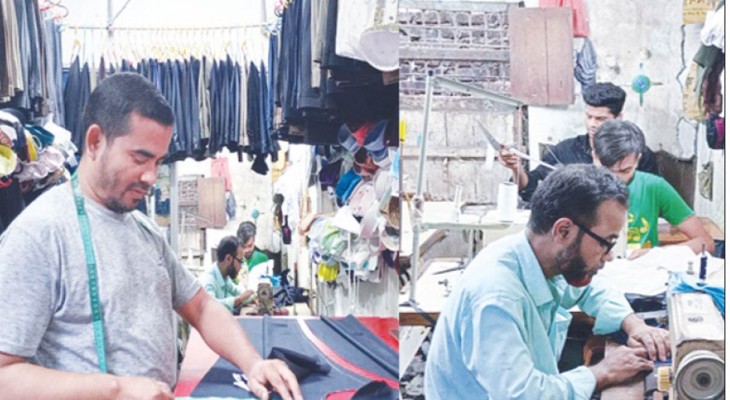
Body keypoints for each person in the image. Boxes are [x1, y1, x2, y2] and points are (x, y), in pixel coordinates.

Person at [0, 73, 302, 400]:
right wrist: (115, 390)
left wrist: (254, 363)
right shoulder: (39, 235)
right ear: (95, 141)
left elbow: (201, 307)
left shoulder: (142, 229)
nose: (151, 177)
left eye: (158, 162)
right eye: (140, 158)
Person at [424, 164, 670, 399]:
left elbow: (592, 288)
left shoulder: (542, 260)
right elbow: (523, 395)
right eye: (606, 243)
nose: (610, 256)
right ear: (563, 231)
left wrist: (633, 324)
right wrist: (601, 372)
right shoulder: (496, 296)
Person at [499, 82, 659, 202]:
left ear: (618, 118)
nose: (592, 124)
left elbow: (652, 199)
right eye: (589, 116)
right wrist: (516, 168)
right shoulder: (565, 151)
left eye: (601, 119)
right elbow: (532, 189)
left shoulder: (639, 156)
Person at [592, 120, 715, 259]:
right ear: (595, 157)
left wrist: (656, 254)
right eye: (608, 171)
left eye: (625, 171)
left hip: (641, 269)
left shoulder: (654, 187)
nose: (616, 180)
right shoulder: (579, 188)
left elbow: (706, 243)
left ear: (637, 159)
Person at [199, 236, 255, 314]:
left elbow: (237, 291)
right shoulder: (208, 280)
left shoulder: (224, 276)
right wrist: (239, 299)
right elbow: (211, 307)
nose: (241, 266)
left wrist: (253, 296)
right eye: (240, 261)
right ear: (228, 258)